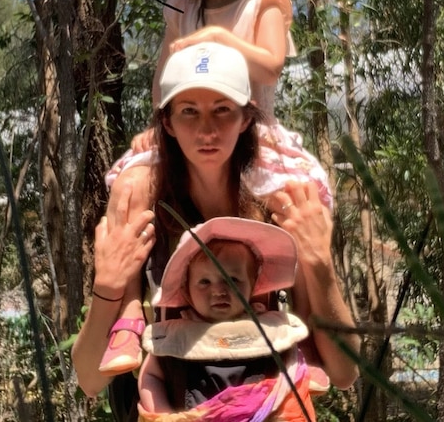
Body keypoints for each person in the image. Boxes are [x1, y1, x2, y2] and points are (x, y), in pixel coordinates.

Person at [98, 0, 332, 377]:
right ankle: (126, 315)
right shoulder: (181, 5)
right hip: (189, 126)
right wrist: (156, 125)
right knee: (128, 184)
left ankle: (306, 335)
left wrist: (218, 38)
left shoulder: (265, 2)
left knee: (296, 199)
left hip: (248, 129)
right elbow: (166, 72)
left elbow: (268, 67)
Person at [71, 42, 359, 415]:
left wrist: (320, 266)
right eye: (189, 111)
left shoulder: (276, 205)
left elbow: (345, 371)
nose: (207, 130)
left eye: (222, 110)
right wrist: (108, 290)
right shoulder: (145, 203)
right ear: (168, 123)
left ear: (245, 119)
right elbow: (90, 379)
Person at [138, 216, 324, 421]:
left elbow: (291, 372)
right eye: (204, 282)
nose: (218, 290)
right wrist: (165, 415)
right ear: (186, 290)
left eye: (232, 280)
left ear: (253, 285)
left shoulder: (269, 328)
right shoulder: (176, 335)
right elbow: (150, 376)